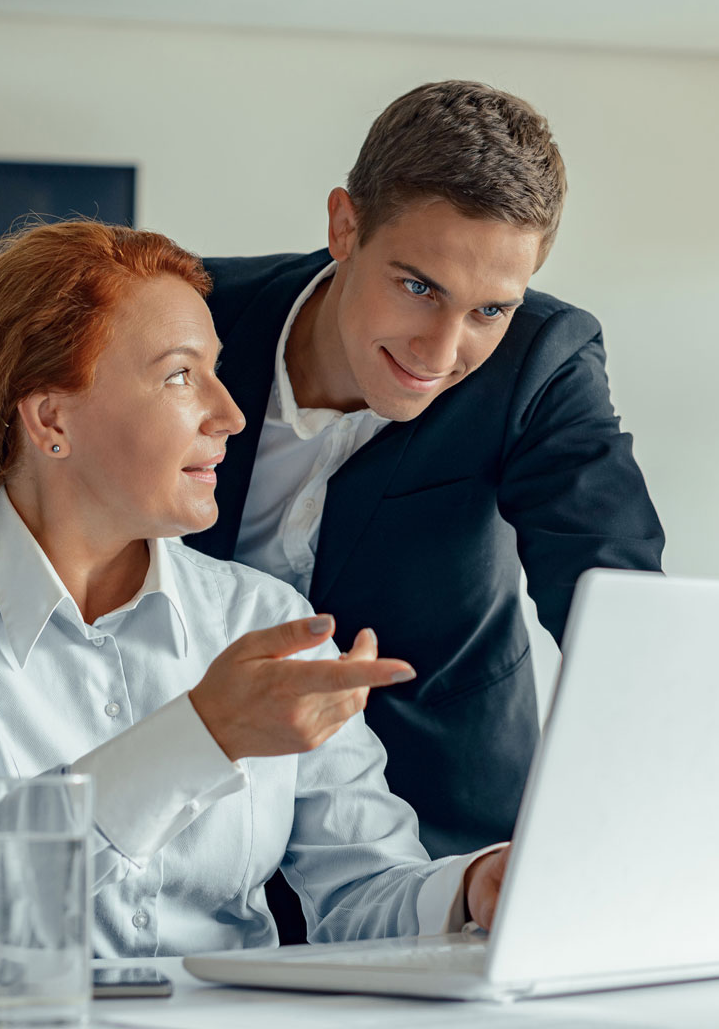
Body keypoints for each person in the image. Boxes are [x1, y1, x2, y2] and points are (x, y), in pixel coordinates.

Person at [0, 221, 510, 964]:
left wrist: (472, 888)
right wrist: (202, 734)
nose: (230, 415)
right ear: (51, 418)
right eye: (180, 375)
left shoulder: (266, 619)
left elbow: (363, 892)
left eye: (217, 371)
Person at [188, 80, 665, 868]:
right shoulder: (193, 316)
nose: (439, 355)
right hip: (196, 815)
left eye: (489, 311)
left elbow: (615, 602)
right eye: (418, 288)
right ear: (345, 226)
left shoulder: (540, 361)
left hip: (442, 829)